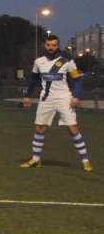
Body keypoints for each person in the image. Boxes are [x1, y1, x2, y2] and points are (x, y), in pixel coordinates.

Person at [21, 35, 92, 171]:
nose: (51, 47)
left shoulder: (67, 61)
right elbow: (33, 80)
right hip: (46, 99)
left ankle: (85, 160)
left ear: (57, 46)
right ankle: (36, 160)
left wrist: (76, 97)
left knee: (72, 129)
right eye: (48, 45)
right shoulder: (38, 62)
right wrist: (27, 96)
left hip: (64, 99)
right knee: (40, 129)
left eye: (54, 45)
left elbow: (78, 80)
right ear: (45, 45)